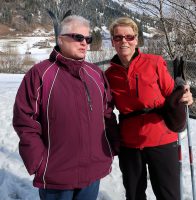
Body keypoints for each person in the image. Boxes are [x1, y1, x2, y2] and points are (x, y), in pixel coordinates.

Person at [13, 15, 119, 200]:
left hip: (93, 172)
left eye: (88, 39)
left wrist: (111, 146)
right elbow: (25, 120)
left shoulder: (95, 74)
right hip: (56, 175)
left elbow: (107, 113)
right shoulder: (40, 74)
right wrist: (39, 161)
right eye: (78, 37)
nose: (84, 43)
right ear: (61, 39)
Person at [105, 17, 193, 200]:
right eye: (118, 37)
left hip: (161, 139)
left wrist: (186, 97)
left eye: (129, 37)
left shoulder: (154, 62)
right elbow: (104, 108)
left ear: (136, 40)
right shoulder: (109, 74)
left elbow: (172, 94)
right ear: (113, 41)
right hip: (129, 143)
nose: (124, 42)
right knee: (134, 194)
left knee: (168, 195)